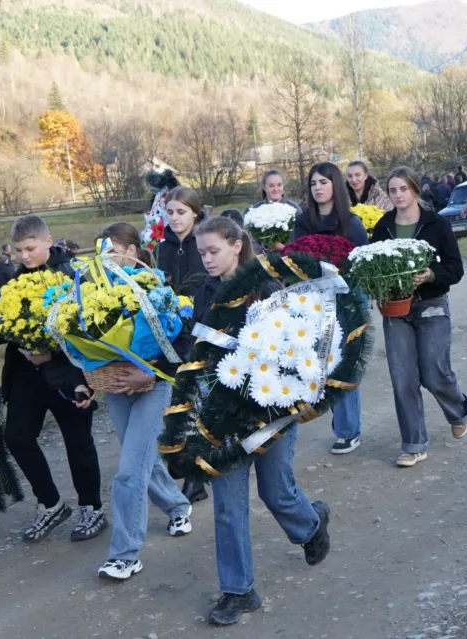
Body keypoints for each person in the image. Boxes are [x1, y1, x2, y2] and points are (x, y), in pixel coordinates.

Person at [191, 216, 331, 626]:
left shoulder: (267, 289)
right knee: (227, 505)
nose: (207, 259)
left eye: (213, 251)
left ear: (237, 245)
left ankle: (310, 525)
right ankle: (238, 591)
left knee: (276, 490)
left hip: (268, 410)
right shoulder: (205, 292)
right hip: (221, 417)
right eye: (202, 253)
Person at [0, 215, 106, 543]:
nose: (24, 256)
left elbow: (87, 328)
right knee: (17, 437)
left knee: (78, 441)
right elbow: (9, 322)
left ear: (48, 241)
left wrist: (52, 354)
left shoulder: (71, 275)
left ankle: (92, 507)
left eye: (30, 248)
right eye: (18, 250)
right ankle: (50, 503)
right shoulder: (17, 276)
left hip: (66, 375)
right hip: (26, 375)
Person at [93, 222, 194, 582]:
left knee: (129, 470)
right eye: (101, 253)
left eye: (111, 251)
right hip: (116, 385)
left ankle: (125, 555)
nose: (104, 260)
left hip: (154, 386)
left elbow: (181, 345)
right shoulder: (95, 293)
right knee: (143, 461)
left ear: (131, 253)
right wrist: (85, 379)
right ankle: (178, 506)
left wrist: (151, 373)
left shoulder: (157, 289)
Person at [373, 167, 467, 468]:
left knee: (433, 372)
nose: (398, 195)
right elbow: (374, 266)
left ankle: (458, 410)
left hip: (432, 306)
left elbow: (455, 269)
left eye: (403, 189)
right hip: (395, 311)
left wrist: (430, 275)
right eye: (392, 190)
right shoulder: (383, 226)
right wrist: (378, 289)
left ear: (415, 190)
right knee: (403, 378)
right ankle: (414, 445)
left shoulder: (436, 224)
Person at [294, 162, 368, 454]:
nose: (318, 188)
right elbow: (295, 260)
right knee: (324, 363)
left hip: (348, 299)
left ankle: (348, 430)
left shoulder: (352, 222)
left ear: (335, 185)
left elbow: (361, 264)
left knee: (345, 363)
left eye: (323, 182)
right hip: (315, 300)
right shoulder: (303, 221)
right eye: (313, 183)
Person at [155, 186, 210, 504]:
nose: (175, 218)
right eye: (170, 212)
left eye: (181, 212)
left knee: (195, 402)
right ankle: (186, 465)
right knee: (177, 402)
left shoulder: (201, 244)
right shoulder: (163, 247)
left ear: (195, 214)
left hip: (198, 327)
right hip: (171, 331)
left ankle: (196, 477)